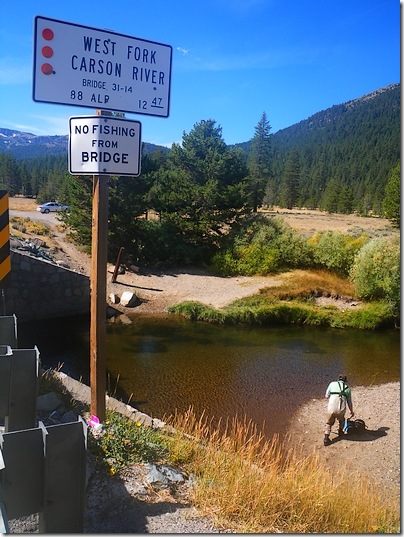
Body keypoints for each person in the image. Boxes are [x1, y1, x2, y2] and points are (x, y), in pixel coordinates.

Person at [323, 374, 354, 446]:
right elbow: (349, 402)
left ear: (338, 379)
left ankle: (326, 438)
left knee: (329, 423)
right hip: (341, 409)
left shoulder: (332, 384)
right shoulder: (348, 389)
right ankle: (340, 431)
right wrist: (352, 412)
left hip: (331, 408)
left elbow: (326, 396)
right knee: (342, 420)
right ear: (345, 381)